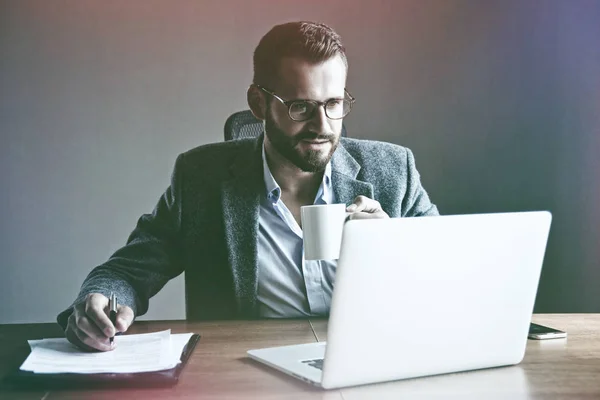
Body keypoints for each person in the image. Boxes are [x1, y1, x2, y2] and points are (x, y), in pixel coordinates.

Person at [58, 21, 439, 351]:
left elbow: (447, 276)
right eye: (300, 107)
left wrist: (393, 247)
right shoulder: (201, 179)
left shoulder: (393, 170)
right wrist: (100, 301)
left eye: (334, 103)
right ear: (258, 103)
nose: (322, 126)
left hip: (368, 358)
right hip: (249, 370)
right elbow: (128, 271)